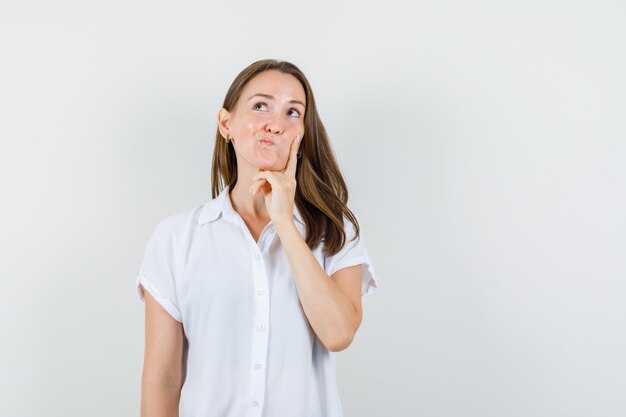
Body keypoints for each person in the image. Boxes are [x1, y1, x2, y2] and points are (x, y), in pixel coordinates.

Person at [135, 59, 379, 417]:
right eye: (261, 106)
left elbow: (338, 333)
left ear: (303, 134)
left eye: (292, 112)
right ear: (226, 123)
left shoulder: (334, 230)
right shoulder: (175, 238)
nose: (275, 124)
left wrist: (284, 221)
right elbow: (163, 380)